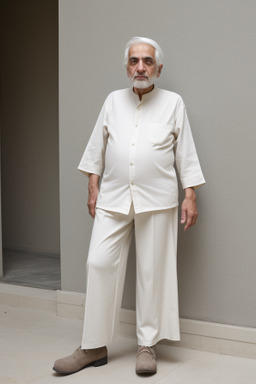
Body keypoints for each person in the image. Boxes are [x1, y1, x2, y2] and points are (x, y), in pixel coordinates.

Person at [53, 36, 205, 376]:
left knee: (152, 271)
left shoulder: (173, 103)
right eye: (135, 60)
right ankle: (92, 346)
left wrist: (190, 194)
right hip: (113, 195)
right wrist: (92, 186)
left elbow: (186, 154)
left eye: (148, 61)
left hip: (158, 198)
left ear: (158, 68)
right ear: (126, 67)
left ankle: (147, 345)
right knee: (99, 262)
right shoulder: (112, 102)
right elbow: (97, 147)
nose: (141, 67)